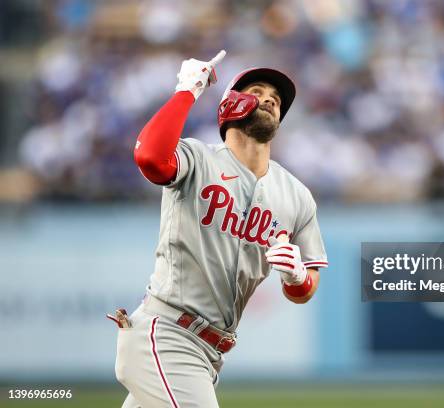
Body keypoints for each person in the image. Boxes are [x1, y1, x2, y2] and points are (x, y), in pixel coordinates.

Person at [111, 50, 328, 408]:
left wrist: (297, 277)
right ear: (231, 104)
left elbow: (306, 289)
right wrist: (186, 91)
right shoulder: (198, 159)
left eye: (275, 100)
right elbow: (150, 158)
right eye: (257, 92)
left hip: (211, 351)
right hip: (166, 333)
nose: (269, 100)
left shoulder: (296, 196)